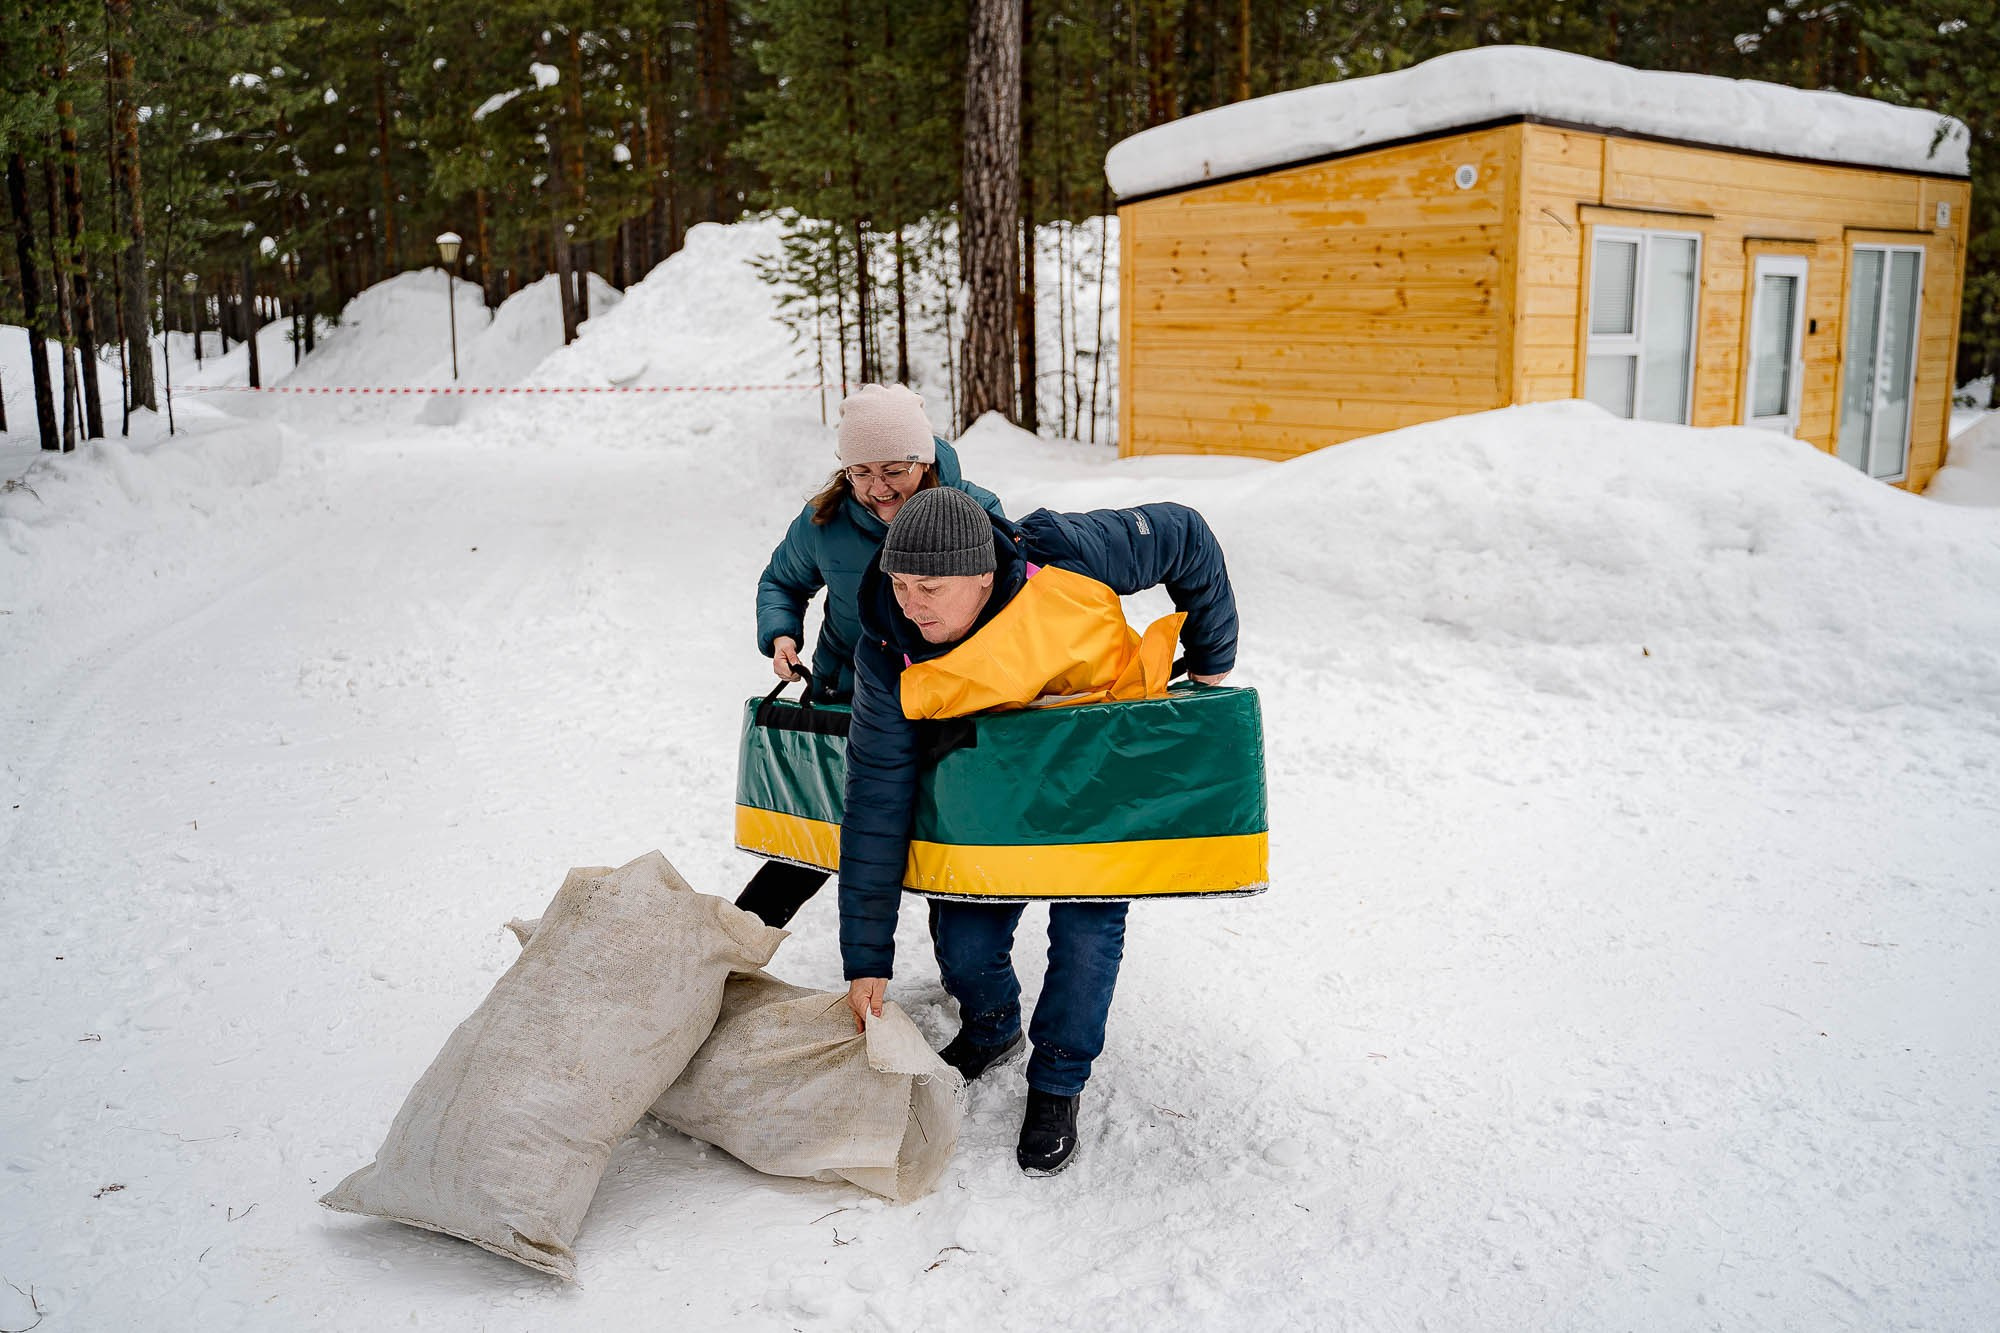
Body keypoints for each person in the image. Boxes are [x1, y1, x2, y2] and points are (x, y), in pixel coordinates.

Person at [838, 486, 1238, 1176]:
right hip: (994, 802)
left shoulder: (1062, 551)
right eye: (899, 583)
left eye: (929, 586)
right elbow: (875, 800)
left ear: (984, 576)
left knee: (1086, 940)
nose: (911, 602)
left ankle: (1057, 1081)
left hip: (1096, 779)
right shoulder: (887, 649)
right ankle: (993, 1024)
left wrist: (1211, 658)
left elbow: (1186, 534)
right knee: (964, 942)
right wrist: (865, 955)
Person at [738, 385, 1004, 929]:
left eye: (893, 470)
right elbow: (781, 582)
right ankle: (733, 947)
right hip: (850, 693)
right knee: (827, 826)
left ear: (923, 460)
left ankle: (966, 971)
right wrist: (782, 634)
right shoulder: (826, 520)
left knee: (942, 836)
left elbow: (1013, 600)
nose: (877, 488)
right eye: (860, 472)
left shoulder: (975, 512)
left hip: (947, 702)